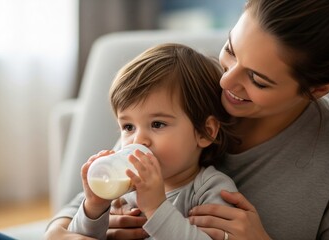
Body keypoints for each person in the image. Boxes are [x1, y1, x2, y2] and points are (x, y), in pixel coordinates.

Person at [46, 0, 329, 239]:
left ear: (318, 89)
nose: (225, 81)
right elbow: (74, 210)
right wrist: (74, 229)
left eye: (258, 80)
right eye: (231, 50)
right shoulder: (185, 90)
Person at [66, 43, 238, 240]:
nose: (138, 140)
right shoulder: (123, 186)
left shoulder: (210, 190)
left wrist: (156, 208)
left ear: (205, 132)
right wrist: (93, 207)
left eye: (157, 124)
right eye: (128, 127)